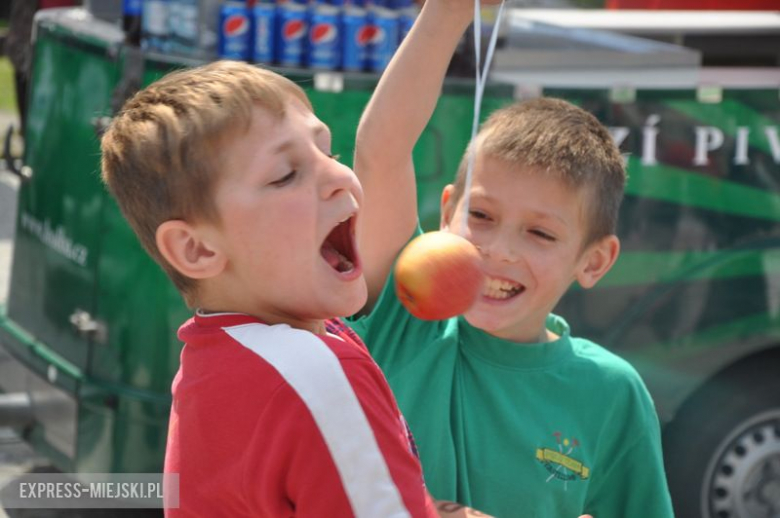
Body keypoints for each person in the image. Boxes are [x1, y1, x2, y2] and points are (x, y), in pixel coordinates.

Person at [100, 60, 489, 517]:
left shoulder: (216, 358)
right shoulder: (314, 374)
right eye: (285, 175)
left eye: (330, 154)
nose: (342, 177)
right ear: (197, 248)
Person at [348, 0, 676, 516]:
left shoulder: (613, 394)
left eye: (540, 234)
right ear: (447, 210)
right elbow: (381, 148)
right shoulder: (404, 316)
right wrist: (449, 12)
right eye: (480, 215)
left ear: (593, 261)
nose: (498, 250)